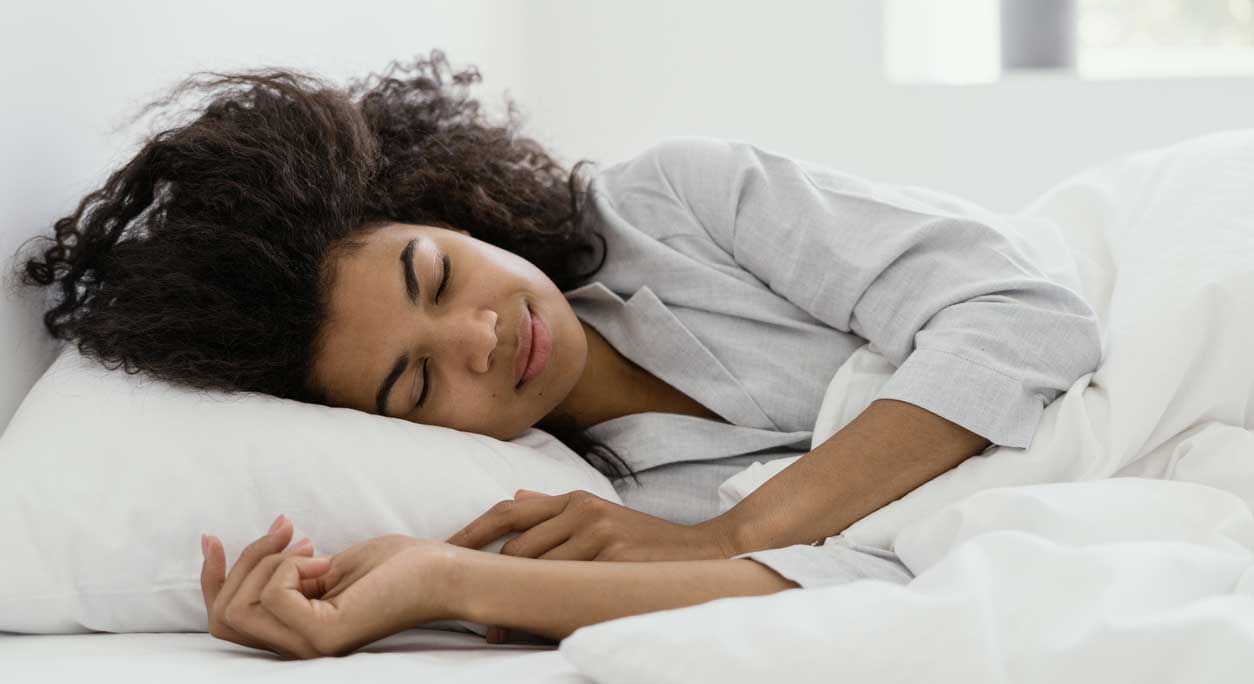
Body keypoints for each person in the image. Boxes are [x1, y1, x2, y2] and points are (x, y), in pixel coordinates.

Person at [11, 49, 1103, 659]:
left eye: (434, 275)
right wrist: (439, 577)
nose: (481, 337)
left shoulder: (675, 202)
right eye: (416, 381)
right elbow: (840, 586)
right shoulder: (570, 499)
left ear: (431, 203)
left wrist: (737, 530)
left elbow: (1020, 314)